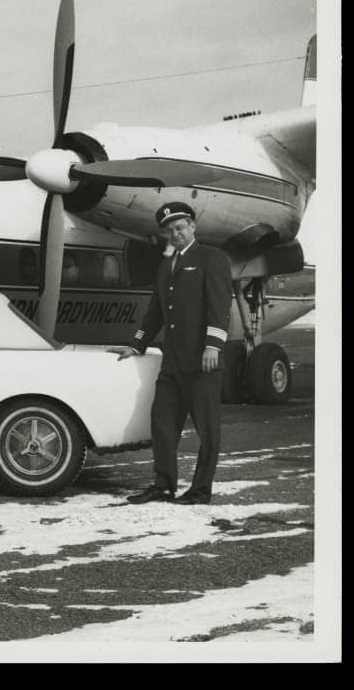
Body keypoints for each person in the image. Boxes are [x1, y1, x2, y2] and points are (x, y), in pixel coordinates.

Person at [115, 201, 232, 505]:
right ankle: (163, 485)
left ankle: (201, 490)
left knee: (207, 430)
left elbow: (220, 307)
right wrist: (138, 343)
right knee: (162, 424)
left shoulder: (211, 257)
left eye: (180, 227)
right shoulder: (166, 264)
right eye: (169, 230)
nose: (175, 234)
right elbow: (155, 311)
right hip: (173, 363)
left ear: (193, 226)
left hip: (202, 360)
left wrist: (213, 346)